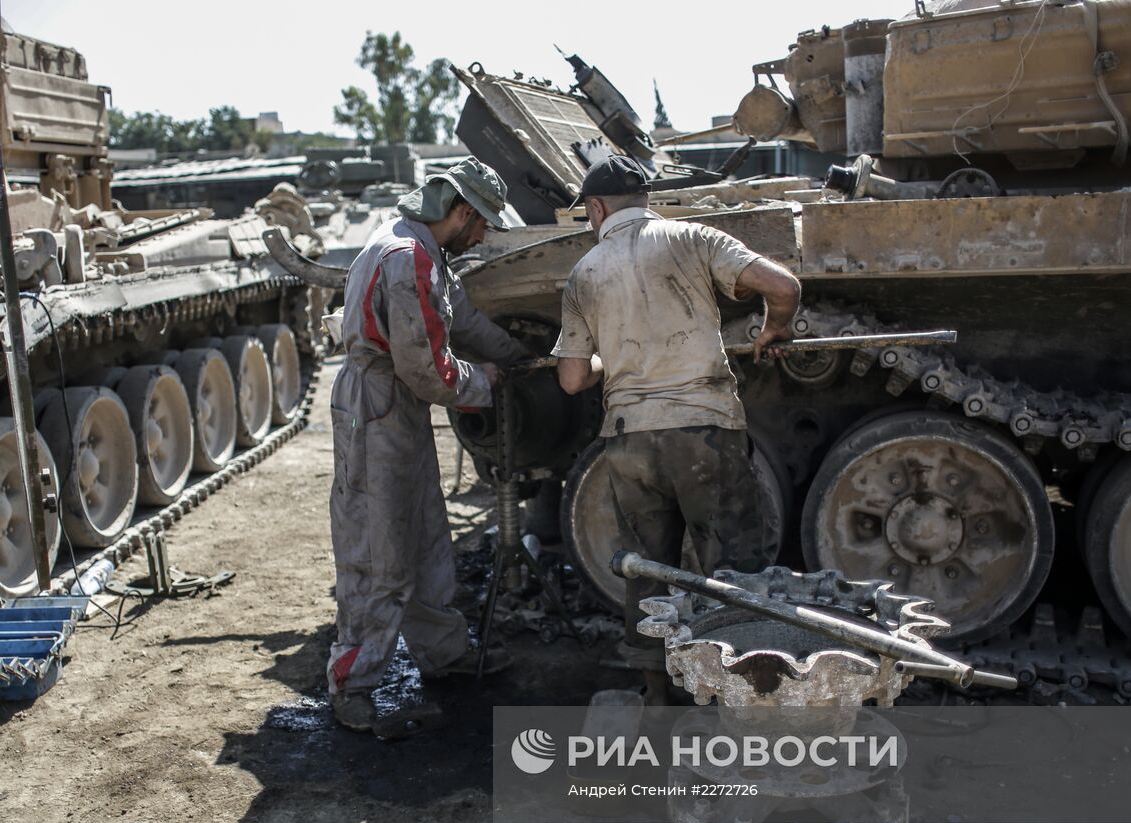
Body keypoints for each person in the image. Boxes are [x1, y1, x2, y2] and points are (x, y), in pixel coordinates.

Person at [553, 154, 801, 704]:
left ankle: (657, 698)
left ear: (596, 208)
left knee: (646, 570)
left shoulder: (584, 272)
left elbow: (572, 379)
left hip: (628, 439)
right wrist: (773, 329)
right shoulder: (692, 236)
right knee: (734, 570)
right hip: (703, 432)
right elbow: (782, 285)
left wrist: (611, 363)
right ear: (646, 198)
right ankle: (742, 698)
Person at [327, 157, 527, 732]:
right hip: (378, 405)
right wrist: (481, 381)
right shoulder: (405, 256)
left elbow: (459, 316)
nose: (484, 234)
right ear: (459, 212)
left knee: (425, 533)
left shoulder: (425, 251)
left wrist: (515, 355)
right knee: (377, 549)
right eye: (483, 222)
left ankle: (444, 654)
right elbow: (425, 370)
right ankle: (354, 684)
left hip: (396, 409)